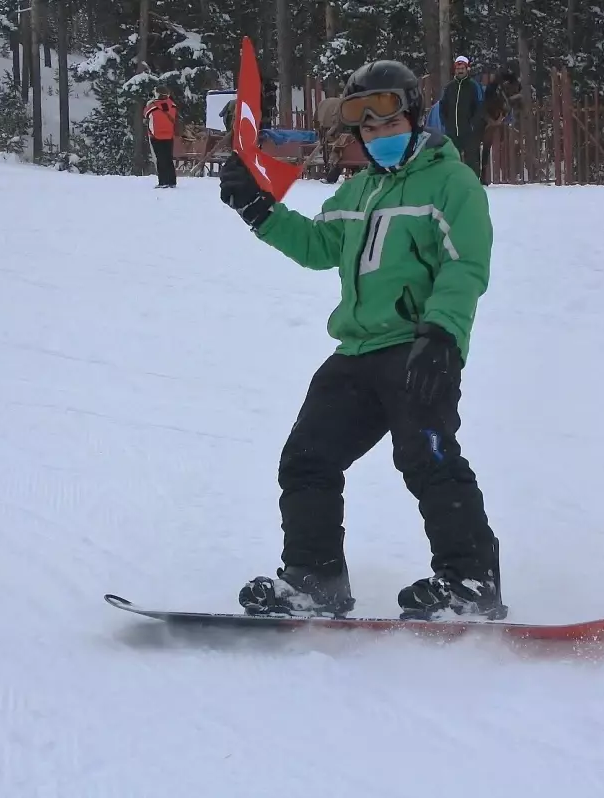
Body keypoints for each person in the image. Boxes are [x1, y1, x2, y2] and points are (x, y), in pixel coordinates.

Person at [218, 59, 505, 621]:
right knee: (307, 459)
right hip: (355, 352)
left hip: (417, 349)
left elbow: (464, 265)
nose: (378, 137)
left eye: (388, 124)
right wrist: (260, 211)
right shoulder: (358, 190)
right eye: (367, 129)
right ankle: (315, 581)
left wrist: (443, 333)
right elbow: (319, 246)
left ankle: (472, 582)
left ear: (415, 119)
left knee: (428, 459)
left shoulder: (451, 182)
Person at [439, 55, 483, 177]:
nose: (460, 70)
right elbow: (443, 107)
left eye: (462, 68)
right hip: (452, 131)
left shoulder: (473, 86)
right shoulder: (449, 87)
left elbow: (479, 107)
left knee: (471, 158)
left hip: (468, 131)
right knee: (452, 158)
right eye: (458, 68)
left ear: (467, 69)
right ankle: (453, 181)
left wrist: (473, 124)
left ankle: (473, 181)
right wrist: (445, 123)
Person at [143, 87, 178, 188]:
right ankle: (172, 181)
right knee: (168, 158)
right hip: (169, 135)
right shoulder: (172, 105)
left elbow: (145, 114)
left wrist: (150, 102)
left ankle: (163, 182)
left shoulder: (152, 106)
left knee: (160, 159)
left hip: (156, 136)